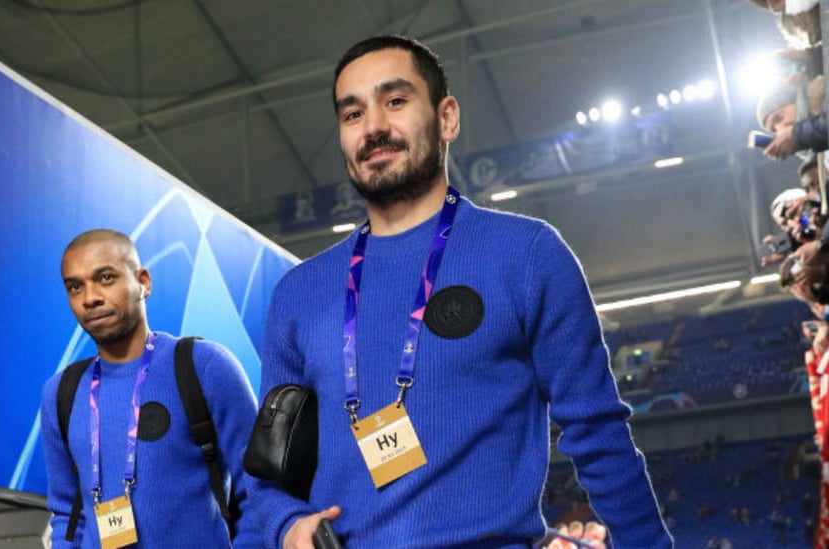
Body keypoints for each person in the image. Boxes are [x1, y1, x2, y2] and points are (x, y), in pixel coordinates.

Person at [248, 35, 672, 548]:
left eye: (396, 101)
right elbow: (265, 480)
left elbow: (599, 435)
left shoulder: (526, 254)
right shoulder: (298, 294)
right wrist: (287, 526)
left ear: (447, 117)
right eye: (352, 114)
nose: (375, 126)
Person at [40, 229, 260, 548]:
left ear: (143, 281)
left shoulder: (205, 366)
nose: (90, 298)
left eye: (105, 278)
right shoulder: (60, 393)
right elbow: (65, 513)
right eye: (75, 287)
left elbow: (258, 487)